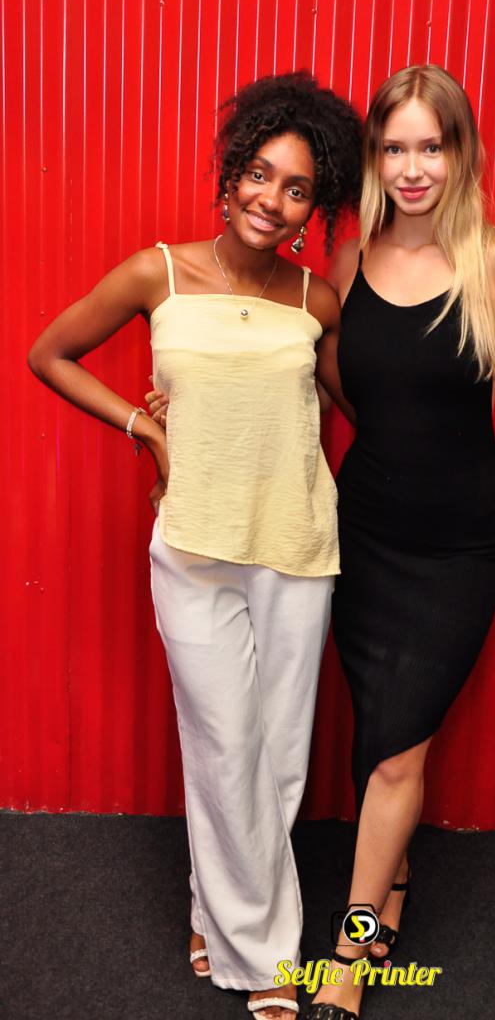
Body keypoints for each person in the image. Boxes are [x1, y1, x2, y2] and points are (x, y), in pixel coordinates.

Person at [27, 72, 364, 1020]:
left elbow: (361, 409)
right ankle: (266, 960)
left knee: (280, 757)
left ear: (313, 209)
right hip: (193, 542)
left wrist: (475, 441)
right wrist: (144, 426)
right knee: (224, 744)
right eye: (259, 175)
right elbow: (49, 353)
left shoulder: (317, 299)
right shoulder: (159, 274)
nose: (271, 199)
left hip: (297, 541)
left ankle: (215, 914)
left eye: (296, 189)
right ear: (230, 177)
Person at [303, 64, 495, 1020]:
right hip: (364, 532)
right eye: (394, 148)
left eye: (432, 145)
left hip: (459, 548)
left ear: (462, 152)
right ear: (375, 157)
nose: (413, 168)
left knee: (394, 756)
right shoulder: (348, 263)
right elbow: (342, 385)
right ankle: (397, 880)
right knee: (379, 740)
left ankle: (349, 954)